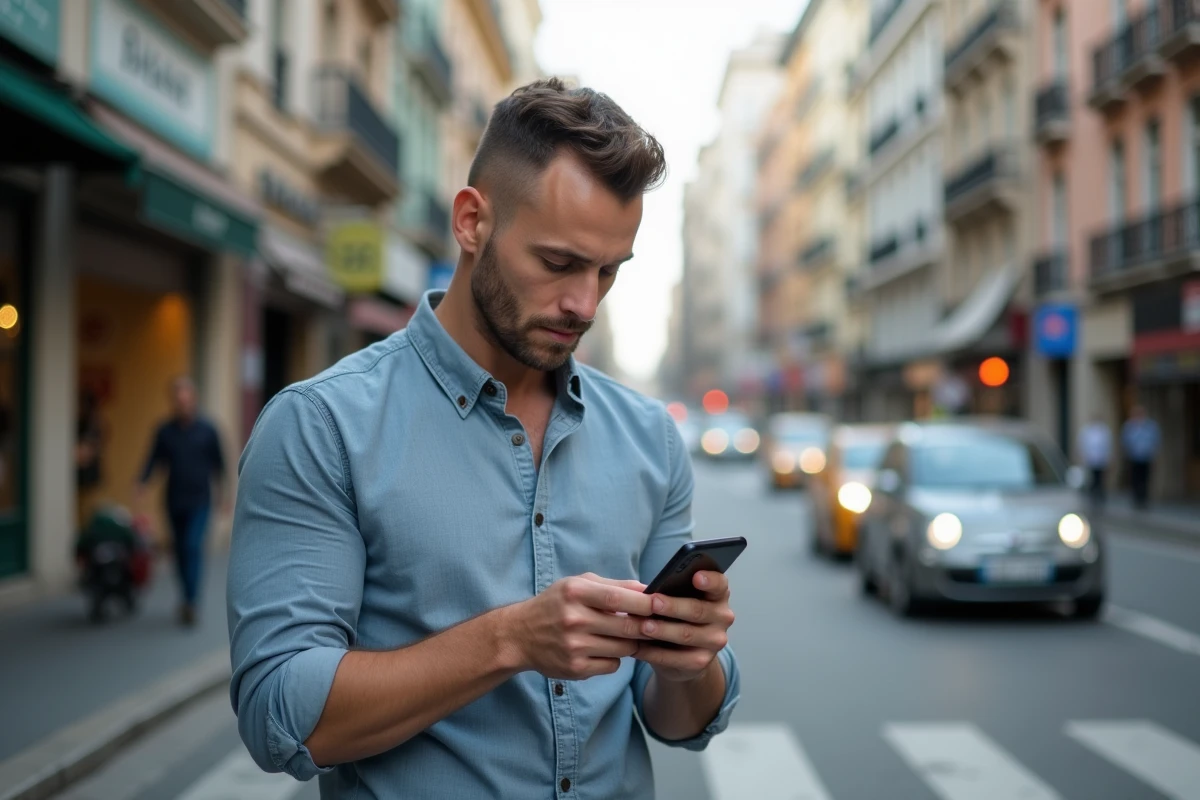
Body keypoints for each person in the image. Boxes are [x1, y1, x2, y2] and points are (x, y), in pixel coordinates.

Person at [228, 79, 740, 798]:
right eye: (558, 263)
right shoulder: (322, 426)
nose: (584, 304)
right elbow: (281, 713)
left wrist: (691, 659)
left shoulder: (650, 437)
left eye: (608, 272)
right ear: (472, 222)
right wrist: (511, 639)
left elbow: (679, 721)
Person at [137, 376, 226, 626]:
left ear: (194, 400)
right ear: (173, 402)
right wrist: (142, 482)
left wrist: (224, 495)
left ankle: (191, 601)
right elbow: (154, 460)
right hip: (174, 501)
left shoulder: (208, 430)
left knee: (192, 547)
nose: (183, 404)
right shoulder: (165, 431)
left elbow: (219, 464)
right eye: (178, 400)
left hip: (201, 500)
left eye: (186, 399)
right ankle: (186, 596)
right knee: (179, 551)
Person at [1121, 404, 1161, 510]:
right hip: (1134, 457)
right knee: (1135, 479)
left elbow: (1155, 440)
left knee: (1145, 479)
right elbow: (1125, 441)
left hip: (1146, 457)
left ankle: (1144, 499)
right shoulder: (1130, 426)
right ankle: (1136, 498)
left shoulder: (1150, 426)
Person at [1078, 414, 1112, 507]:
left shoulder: (1104, 431)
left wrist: (1108, 458)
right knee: (1092, 479)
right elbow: (1083, 444)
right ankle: (1093, 497)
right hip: (1091, 460)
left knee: (1100, 479)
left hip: (1101, 459)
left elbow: (1107, 445)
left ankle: (1100, 496)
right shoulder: (1087, 431)